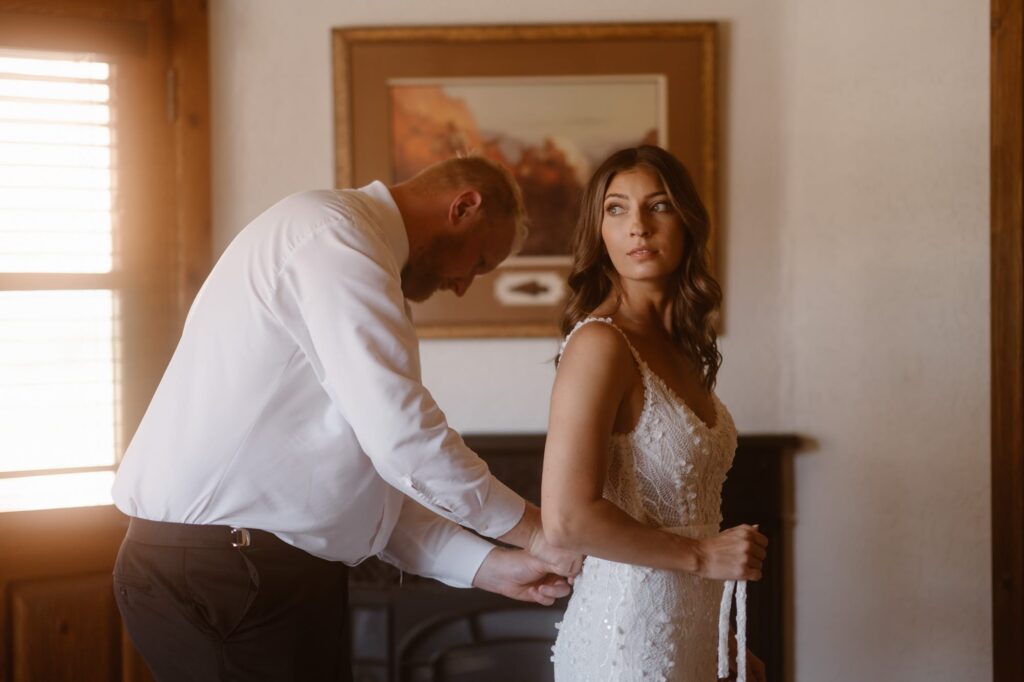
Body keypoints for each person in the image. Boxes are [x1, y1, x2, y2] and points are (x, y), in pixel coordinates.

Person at [111, 156, 579, 682]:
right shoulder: (334, 237)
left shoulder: (353, 253)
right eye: (479, 263)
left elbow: (369, 490)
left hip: (263, 573)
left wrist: (487, 566)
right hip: (223, 580)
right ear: (464, 207)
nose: (463, 285)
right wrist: (537, 532)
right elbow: (407, 444)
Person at [543, 146, 768, 681]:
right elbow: (567, 519)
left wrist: (726, 643)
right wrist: (703, 557)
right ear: (598, 232)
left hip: (693, 636)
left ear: (687, 221)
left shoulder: (681, 348)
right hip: (626, 643)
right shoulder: (600, 344)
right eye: (616, 209)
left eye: (658, 206)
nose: (637, 227)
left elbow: (688, 508)